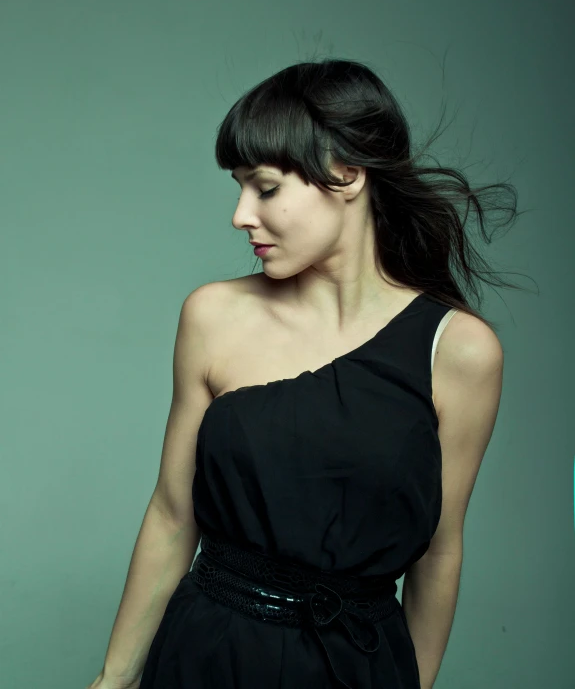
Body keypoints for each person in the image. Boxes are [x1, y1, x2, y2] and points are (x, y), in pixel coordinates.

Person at [88, 58, 519, 689]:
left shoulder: (458, 352)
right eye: (238, 188)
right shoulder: (213, 314)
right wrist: (112, 680)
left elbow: (439, 551)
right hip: (208, 657)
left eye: (264, 188)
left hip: (356, 669)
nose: (240, 215)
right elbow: (174, 514)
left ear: (345, 173)